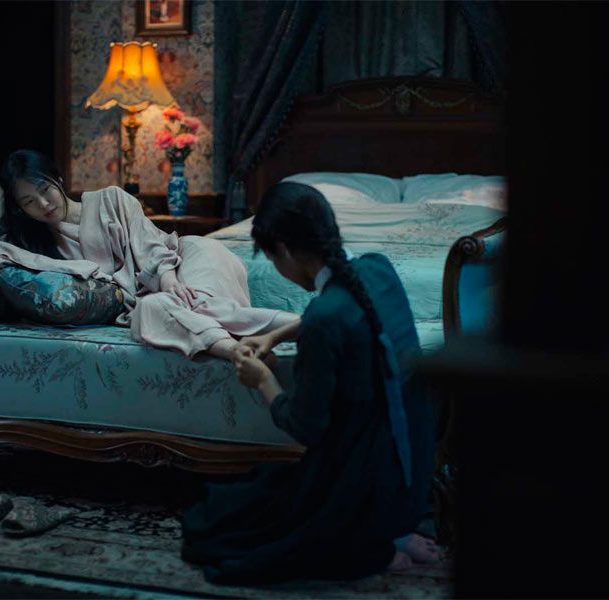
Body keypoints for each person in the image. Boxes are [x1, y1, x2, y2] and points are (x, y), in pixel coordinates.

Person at [180, 182, 440, 583]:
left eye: (271, 257)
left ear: (283, 251)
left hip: (362, 479)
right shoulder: (377, 267)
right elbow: (348, 311)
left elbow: (305, 427)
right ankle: (394, 528)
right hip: (412, 469)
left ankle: (370, 537)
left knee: (220, 518)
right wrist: (276, 334)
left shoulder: (324, 320)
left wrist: (263, 379)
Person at [0, 149, 299, 361]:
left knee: (193, 300)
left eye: (44, 190)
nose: (43, 204)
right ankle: (240, 351)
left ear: (58, 179)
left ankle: (306, 326)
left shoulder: (112, 198)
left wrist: (169, 279)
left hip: (188, 258)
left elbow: (150, 244)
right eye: (27, 201)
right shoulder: (27, 246)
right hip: (149, 298)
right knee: (150, 310)